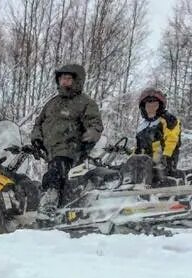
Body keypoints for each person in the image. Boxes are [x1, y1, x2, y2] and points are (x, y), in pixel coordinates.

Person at [29, 64, 104, 219]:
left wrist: (90, 137)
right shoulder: (52, 103)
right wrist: (36, 139)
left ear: (77, 81)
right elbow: (39, 122)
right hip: (51, 152)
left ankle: (50, 205)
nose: (64, 82)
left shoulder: (85, 102)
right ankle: (54, 207)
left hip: (71, 150)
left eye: (68, 79)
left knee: (55, 174)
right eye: (62, 78)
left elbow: (95, 124)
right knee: (54, 175)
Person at [120, 87, 182, 187]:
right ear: (143, 107)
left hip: (163, 164)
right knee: (122, 169)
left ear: (160, 106)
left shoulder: (168, 119)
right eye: (148, 106)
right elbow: (139, 149)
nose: (151, 108)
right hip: (145, 166)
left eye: (155, 105)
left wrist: (166, 157)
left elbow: (172, 139)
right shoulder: (143, 126)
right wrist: (128, 152)